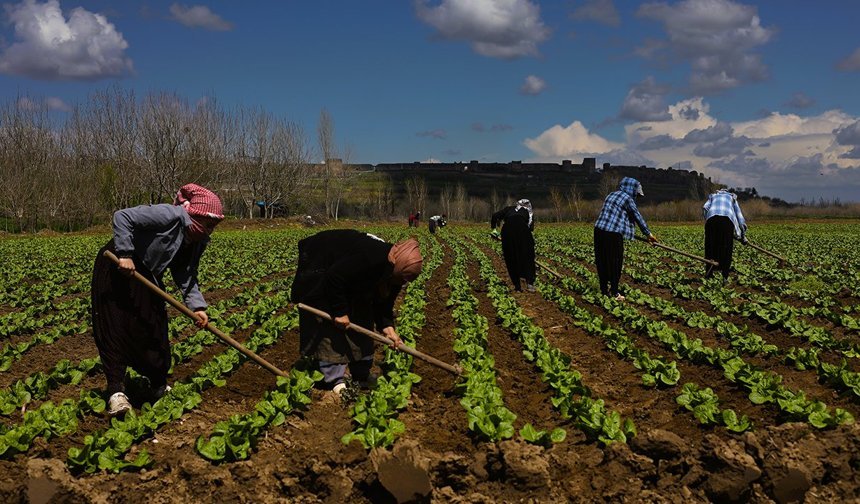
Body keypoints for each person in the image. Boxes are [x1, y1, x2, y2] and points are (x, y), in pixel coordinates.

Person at [91, 183, 224, 416]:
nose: (210, 230)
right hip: (117, 267)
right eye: (209, 223)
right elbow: (122, 217)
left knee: (154, 326)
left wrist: (198, 306)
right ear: (194, 214)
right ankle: (116, 393)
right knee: (116, 327)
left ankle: (157, 386)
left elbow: (186, 273)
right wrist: (125, 253)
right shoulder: (169, 215)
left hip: (146, 274)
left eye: (214, 226)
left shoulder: (196, 240)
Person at [290, 230, 422, 395]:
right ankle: (333, 378)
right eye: (401, 279)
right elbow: (334, 277)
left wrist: (388, 328)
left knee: (362, 316)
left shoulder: (396, 273)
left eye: (404, 281)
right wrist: (340, 312)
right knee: (330, 325)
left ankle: (361, 373)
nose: (402, 283)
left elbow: (384, 302)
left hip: (347, 279)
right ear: (396, 268)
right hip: (322, 267)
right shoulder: (371, 257)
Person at [593, 177, 657, 301]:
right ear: (632, 190)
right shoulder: (627, 199)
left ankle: (604, 290)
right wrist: (648, 234)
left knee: (602, 261)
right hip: (613, 234)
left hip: (599, 231)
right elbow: (637, 216)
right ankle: (615, 292)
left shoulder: (611, 195)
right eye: (636, 194)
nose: (636, 197)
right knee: (615, 262)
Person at [491, 199, 536, 292]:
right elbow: (530, 228)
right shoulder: (528, 212)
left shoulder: (508, 209)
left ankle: (517, 286)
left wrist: (494, 229)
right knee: (528, 256)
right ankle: (530, 283)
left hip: (508, 231)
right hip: (523, 231)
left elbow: (495, 215)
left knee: (510, 257)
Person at [703, 189, 747, 280]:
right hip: (726, 221)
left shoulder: (713, 196)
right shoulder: (732, 198)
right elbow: (739, 216)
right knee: (726, 247)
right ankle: (725, 276)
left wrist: (707, 219)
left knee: (710, 246)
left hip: (711, 220)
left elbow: (705, 207)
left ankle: (709, 274)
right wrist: (743, 235)